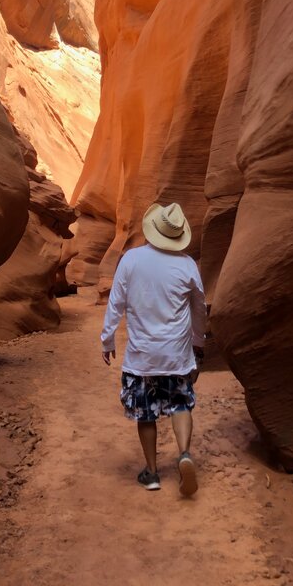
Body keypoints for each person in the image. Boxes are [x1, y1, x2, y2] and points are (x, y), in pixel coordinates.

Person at [101, 202, 206, 496]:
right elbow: (199, 309)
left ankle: (152, 473)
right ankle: (184, 454)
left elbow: (116, 302)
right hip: (177, 355)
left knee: (146, 414)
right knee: (180, 405)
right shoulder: (187, 265)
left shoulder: (131, 259)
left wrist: (107, 339)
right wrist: (199, 343)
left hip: (142, 358)